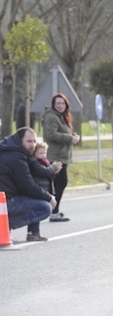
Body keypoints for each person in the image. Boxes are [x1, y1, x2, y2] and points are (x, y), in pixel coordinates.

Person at [0, 128, 57, 241]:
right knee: (45, 207)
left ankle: (33, 233)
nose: (33, 145)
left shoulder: (10, 149)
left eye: (34, 141)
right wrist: (49, 197)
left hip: (7, 196)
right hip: (7, 200)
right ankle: (5, 226)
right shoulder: (16, 156)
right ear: (20, 140)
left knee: (37, 196)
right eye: (29, 141)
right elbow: (27, 185)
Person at [42, 93, 80, 222]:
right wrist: (70, 138)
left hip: (62, 155)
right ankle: (53, 211)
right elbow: (51, 134)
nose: (60, 105)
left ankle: (53, 210)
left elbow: (62, 132)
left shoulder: (62, 117)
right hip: (55, 156)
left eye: (62, 103)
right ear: (53, 104)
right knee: (61, 182)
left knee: (58, 183)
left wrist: (73, 136)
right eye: (57, 103)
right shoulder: (52, 117)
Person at [26, 141, 62, 241]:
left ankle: (33, 232)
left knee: (37, 211)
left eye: (44, 153)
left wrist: (55, 171)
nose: (43, 155)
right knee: (37, 210)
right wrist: (53, 167)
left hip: (44, 189)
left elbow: (49, 176)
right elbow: (43, 172)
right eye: (40, 153)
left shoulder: (44, 162)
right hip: (38, 190)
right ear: (34, 153)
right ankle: (33, 232)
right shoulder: (34, 162)